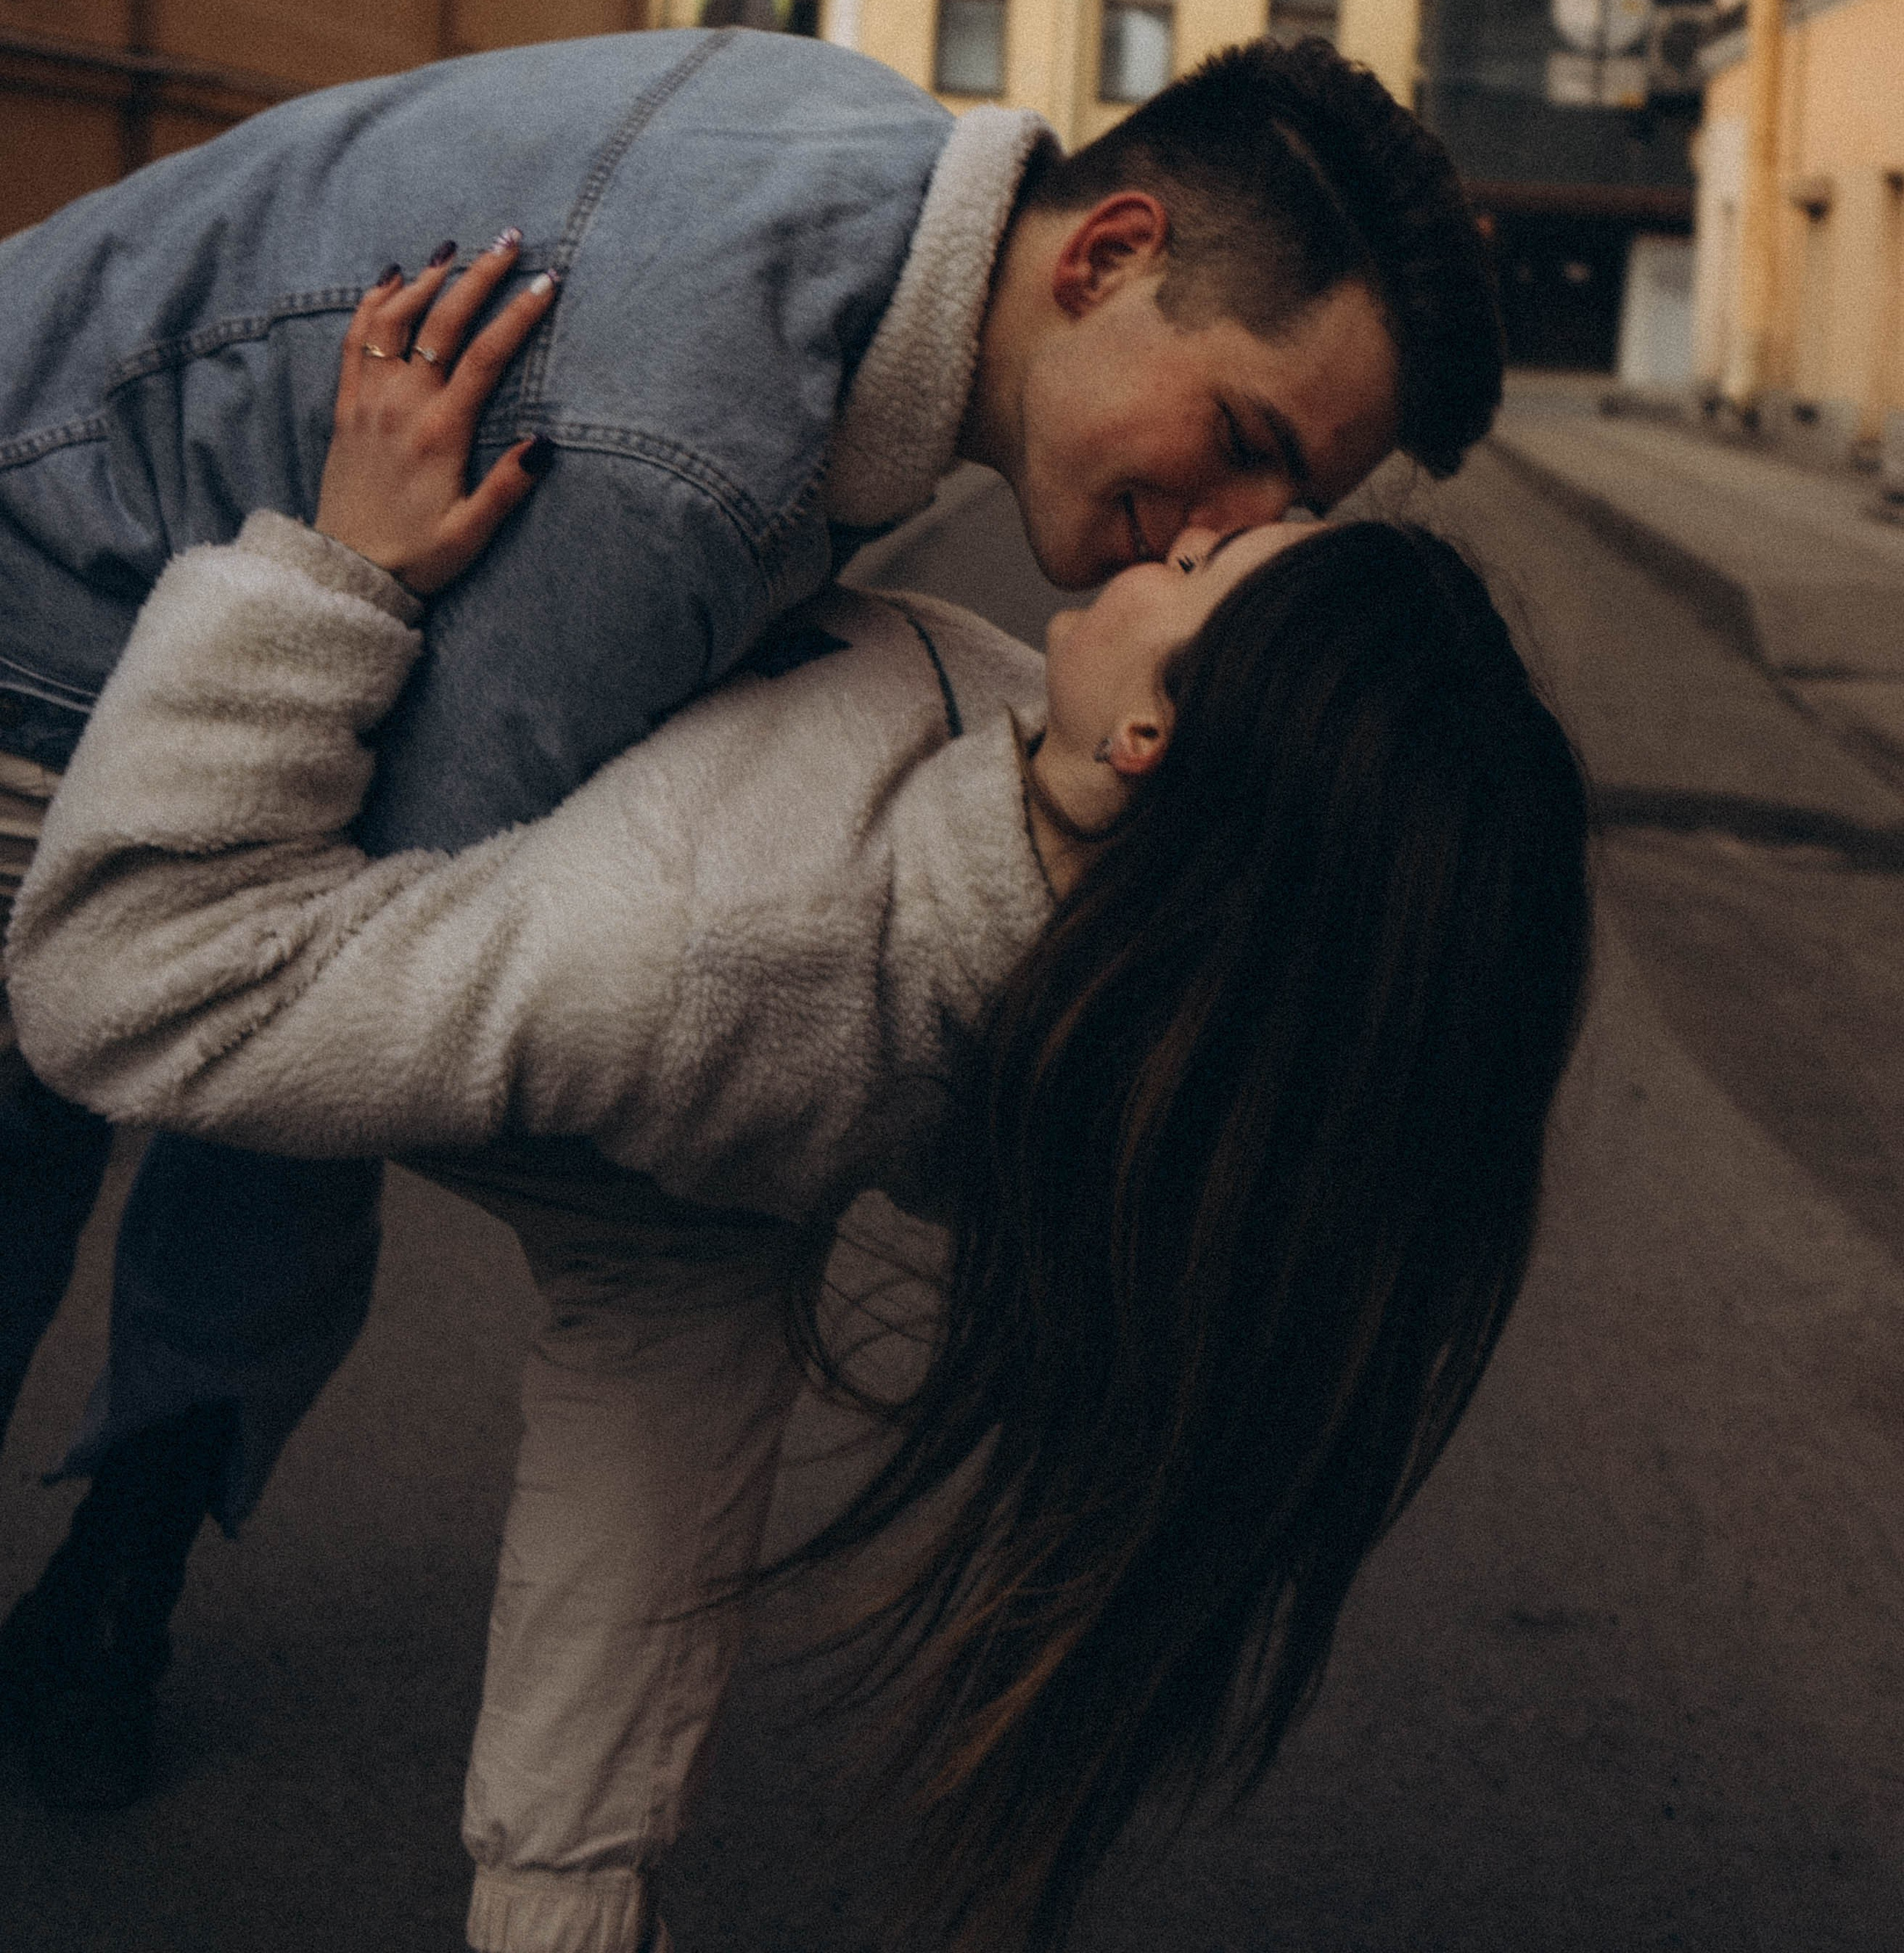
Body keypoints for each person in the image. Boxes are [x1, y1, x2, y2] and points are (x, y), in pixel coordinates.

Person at [7, 245, 1589, 1953]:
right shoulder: (1102, 848)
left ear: (1149, 743)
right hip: (721, 1107)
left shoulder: (703, 937)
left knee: (657, 1337)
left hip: (640, 1020)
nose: (1189, 534)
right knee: (657, 1408)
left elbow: (134, 984)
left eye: (1212, 567)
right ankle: (562, 1905)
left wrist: (337, 574)